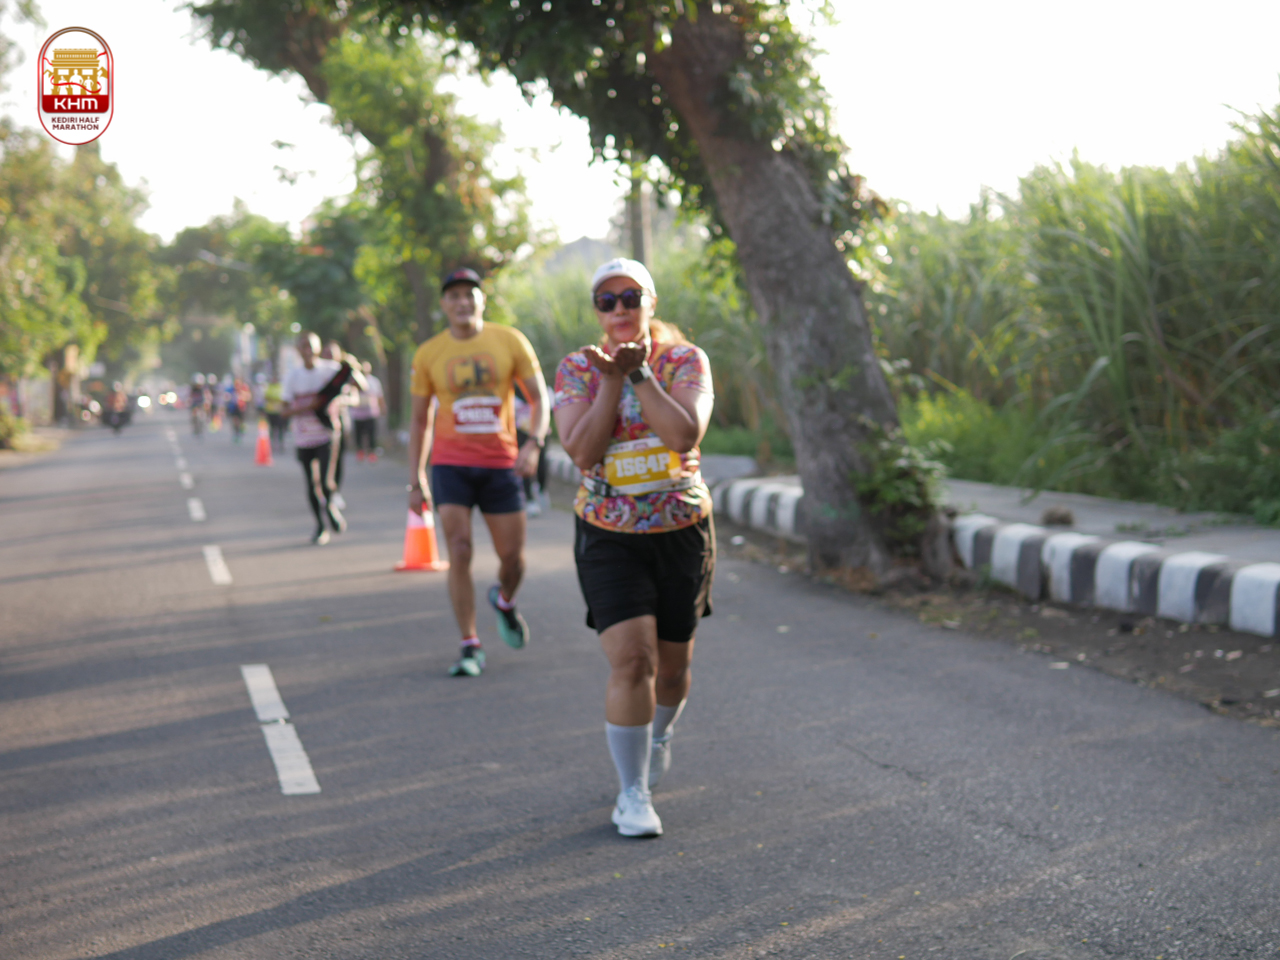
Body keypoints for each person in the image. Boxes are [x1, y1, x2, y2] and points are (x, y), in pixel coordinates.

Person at [553, 258, 716, 838]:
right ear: (596, 311)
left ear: (650, 302)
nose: (619, 309)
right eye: (606, 300)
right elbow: (582, 452)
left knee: (672, 670)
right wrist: (611, 380)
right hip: (608, 532)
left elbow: (683, 435)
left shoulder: (684, 361)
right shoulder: (578, 368)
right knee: (633, 661)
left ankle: (659, 735)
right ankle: (633, 794)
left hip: (680, 530)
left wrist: (640, 373)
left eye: (630, 297)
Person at [406, 267, 549, 677]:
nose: (462, 302)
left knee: (513, 560)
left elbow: (539, 399)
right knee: (460, 549)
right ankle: (469, 644)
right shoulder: (429, 353)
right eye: (453, 296)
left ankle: (504, 600)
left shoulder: (509, 340)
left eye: (470, 294)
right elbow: (420, 420)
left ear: (482, 300)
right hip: (450, 464)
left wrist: (534, 444)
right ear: (443, 305)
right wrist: (416, 478)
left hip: (501, 464)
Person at [282, 332, 346, 544]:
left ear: (318, 348)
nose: (308, 350)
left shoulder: (331, 370)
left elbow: (354, 388)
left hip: (326, 434)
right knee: (311, 484)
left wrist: (340, 399)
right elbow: (283, 410)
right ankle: (320, 526)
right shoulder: (292, 377)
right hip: (304, 437)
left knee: (326, 482)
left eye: (311, 346)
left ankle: (330, 506)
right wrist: (307, 407)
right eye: (303, 346)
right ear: (298, 350)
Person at [350, 361, 384, 463]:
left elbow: (379, 395)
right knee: (358, 435)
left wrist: (382, 407)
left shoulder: (375, 381)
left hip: (371, 413)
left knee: (371, 434)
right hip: (358, 413)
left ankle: (371, 453)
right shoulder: (355, 380)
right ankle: (360, 452)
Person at [263, 373, 287, 451]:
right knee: (272, 428)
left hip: (279, 411)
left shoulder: (281, 387)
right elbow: (266, 397)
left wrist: (273, 398)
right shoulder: (269, 387)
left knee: (280, 428)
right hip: (270, 411)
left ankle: (281, 443)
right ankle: (272, 444)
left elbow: (283, 397)